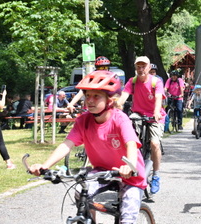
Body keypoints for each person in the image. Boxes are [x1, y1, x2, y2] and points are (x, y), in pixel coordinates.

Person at [28, 70, 146, 223]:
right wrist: (45, 166)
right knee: (80, 191)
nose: (89, 100)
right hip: (102, 172)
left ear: (110, 99)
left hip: (129, 175)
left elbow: (131, 144)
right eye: (87, 95)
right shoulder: (83, 121)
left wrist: (129, 166)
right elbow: (66, 145)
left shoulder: (120, 119)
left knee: (127, 217)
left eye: (96, 96)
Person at [118, 56, 165, 194]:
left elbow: (158, 99)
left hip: (155, 115)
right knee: (129, 142)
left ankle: (155, 175)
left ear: (149, 68)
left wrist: (156, 112)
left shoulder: (156, 82)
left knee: (155, 144)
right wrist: (117, 105)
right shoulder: (132, 82)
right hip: (137, 114)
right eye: (138, 66)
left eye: (143, 66)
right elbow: (123, 96)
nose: (141, 69)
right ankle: (132, 167)